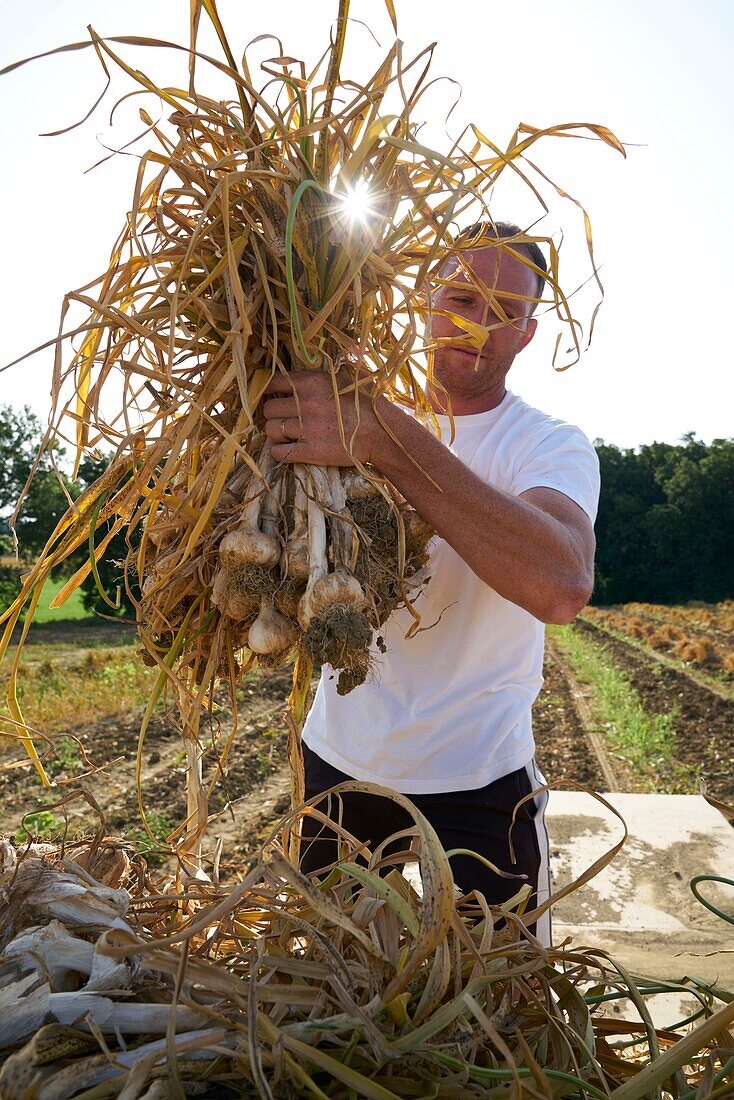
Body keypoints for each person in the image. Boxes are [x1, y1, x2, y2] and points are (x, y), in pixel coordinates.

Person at [262, 222, 600, 943]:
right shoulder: (342, 413)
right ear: (422, 297)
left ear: (529, 334)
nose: (478, 326)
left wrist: (387, 438)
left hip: (481, 777)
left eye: (504, 312)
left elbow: (561, 586)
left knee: (505, 1012)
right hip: (342, 765)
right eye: (461, 298)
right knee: (329, 992)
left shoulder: (546, 445)